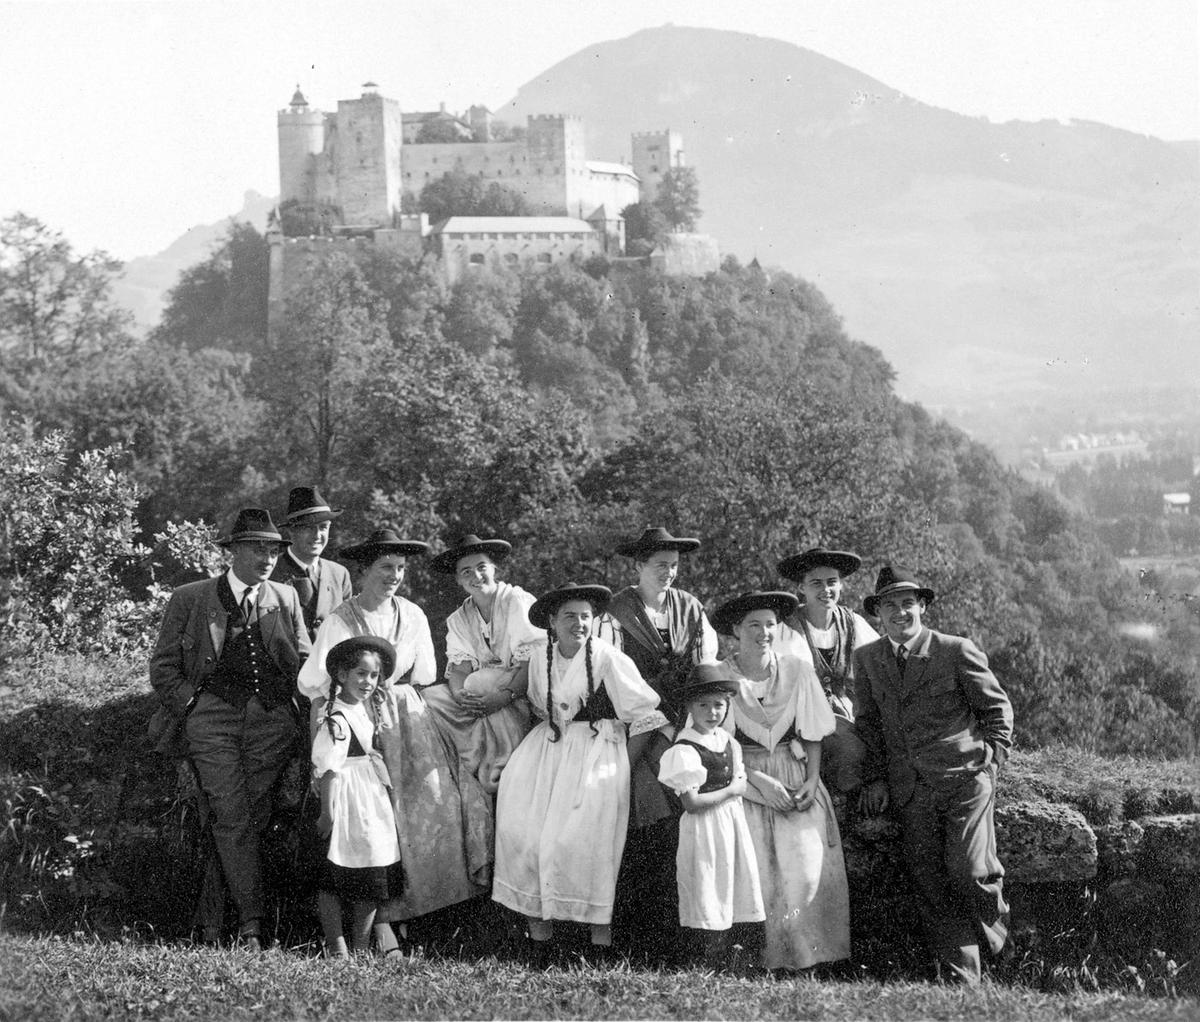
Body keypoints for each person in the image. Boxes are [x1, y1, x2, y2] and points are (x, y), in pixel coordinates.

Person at [298, 528, 492, 951]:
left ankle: (423, 918)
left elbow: (424, 674)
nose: (394, 576)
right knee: (371, 819)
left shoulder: (414, 614)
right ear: (363, 571)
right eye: (386, 567)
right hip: (355, 720)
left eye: (401, 569)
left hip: (406, 716)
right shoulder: (341, 619)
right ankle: (382, 926)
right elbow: (315, 683)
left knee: (430, 806)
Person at [149, 507, 310, 950]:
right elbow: (162, 667)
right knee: (235, 815)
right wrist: (194, 704)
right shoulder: (191, 597)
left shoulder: (286, 597)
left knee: (240, 820)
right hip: (212, 720)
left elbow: (305, 660)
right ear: (233, 551)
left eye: (274, 549)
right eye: (258, 548)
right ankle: (252, 925)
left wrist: (299, 707)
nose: (268, 557)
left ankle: (214, 923)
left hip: (272, 724)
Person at [853, 566, 1014, 985]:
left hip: (965, 781)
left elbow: (997, 712)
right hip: (910, 790)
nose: (900, 613)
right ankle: (964, 981)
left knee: (970, 871)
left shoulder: (955, 649)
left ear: (922, 607)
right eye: (890, 605)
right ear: (878, 614)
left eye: (908, 603)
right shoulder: (867, 659)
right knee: (931, 885)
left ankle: (998, 942)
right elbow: (868, 724)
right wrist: (876, 779)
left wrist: (991, 764)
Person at [492, 582, 669, 962]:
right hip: (549, 749)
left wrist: (621, 765)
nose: (579, 623)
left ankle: (597, 942)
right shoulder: (540, 658)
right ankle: (540, 937)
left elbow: (645, 717)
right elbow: (538, 708)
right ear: (552, 622)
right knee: (523, 831)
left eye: (586, 616)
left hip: (598, 749)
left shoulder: (607, 657)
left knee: (580, 839)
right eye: (569, 616)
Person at [711, 590, 850, 972]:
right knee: (757, 874)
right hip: (742, 780)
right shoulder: (720, 675)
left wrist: (811, 779)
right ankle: (760, 964)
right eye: (753, 625)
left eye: (770, 624)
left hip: (794, 776)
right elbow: (716, 746)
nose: (763, 632)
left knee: (804, 870)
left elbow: (813, 732)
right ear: (735, 631)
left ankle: (810, 962)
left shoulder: (797, 669)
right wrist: (758, 781)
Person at [605, 525, 719, 961]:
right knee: (649, 810)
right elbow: (611, 680)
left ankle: (689, 937)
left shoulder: (690, 609)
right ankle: (642, 938)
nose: (668, 573)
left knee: (692, 818)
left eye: (673, 566)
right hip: (636, 724)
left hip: (686, 722)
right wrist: (655, 727)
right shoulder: (616, 612)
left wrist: (688, 728)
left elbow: (704, 667)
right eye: (659, 566)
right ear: (638, 567)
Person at [657, 665, 764, 969]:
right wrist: (730, 791)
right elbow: (691, 802)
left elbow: (742, 781)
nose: (712, 712)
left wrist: (735, 790)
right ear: (690, 707)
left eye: (718, 705)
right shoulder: (685, 749)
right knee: (706, 887)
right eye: (703, 705)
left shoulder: (729, 742)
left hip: (731, 825)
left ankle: (735, 961)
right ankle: (703, 961)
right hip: (703, 829)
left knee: (733, 883)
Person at [422, 534, 539, 794]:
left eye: (481, 567)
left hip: (519, 690)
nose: (476, 576)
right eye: (466, 572)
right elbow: (460, 669)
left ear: (494, 569)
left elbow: (530, 663)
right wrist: (460, 695)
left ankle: (494, 768)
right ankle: (468, 760)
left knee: (482, 683)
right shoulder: (459, 618)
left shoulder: (516, 602)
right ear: (458, 580)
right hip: (478, 695)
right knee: (430, 697)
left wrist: (502, 697)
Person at [312, 635, 404, 959]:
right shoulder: (336, 718)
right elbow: (330, 770)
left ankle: (362, 945)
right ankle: (337, 945)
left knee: (371, 871)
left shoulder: (363, 710)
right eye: (360, 674)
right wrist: (328, 813)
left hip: (369, 798)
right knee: (331, 877)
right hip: (343, 799)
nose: (367, 682)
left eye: (373, 675)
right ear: (341, 676)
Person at [774, 547, 878, 794]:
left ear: (841, 585)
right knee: (847, 749)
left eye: (832, 582)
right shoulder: (788, 628)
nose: (826, 590)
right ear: (801, 588)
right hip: (803, 718)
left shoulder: (853, 623)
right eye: (816, 583)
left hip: (851, 713)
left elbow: (878, 663)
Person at [271, 485, 353, 641]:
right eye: (308, 528)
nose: (317, 535)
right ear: (291, 531)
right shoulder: (272, 572)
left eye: (323, 527)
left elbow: (346, 629)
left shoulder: (339, 574)